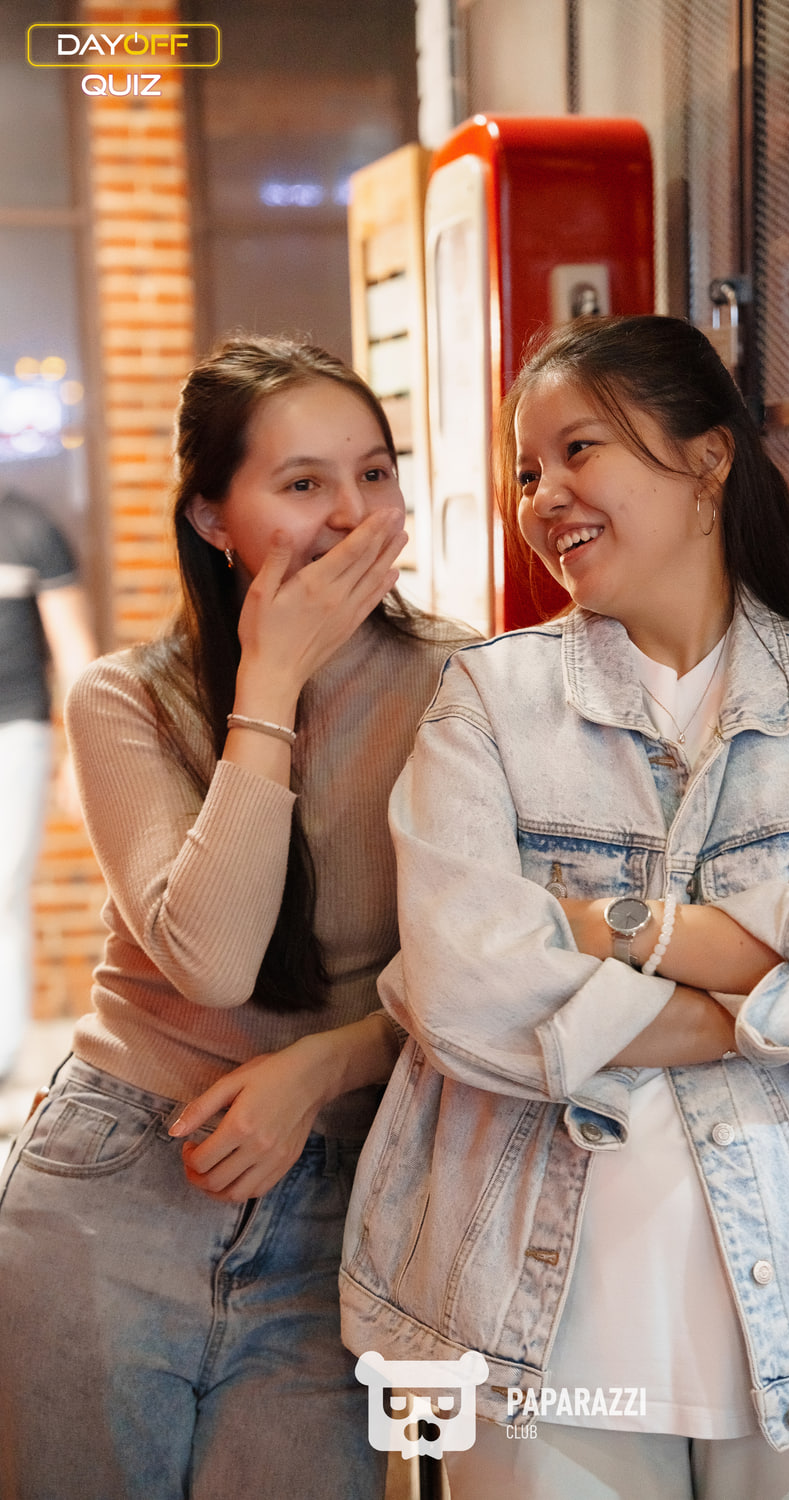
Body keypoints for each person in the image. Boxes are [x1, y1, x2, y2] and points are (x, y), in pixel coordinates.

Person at [339, 315, 789, 1500]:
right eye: (527, 471)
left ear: (706, 459)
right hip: (531, 1339)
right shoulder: (488, 702)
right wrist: (773, 999)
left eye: (578, 450)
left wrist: (618, 931)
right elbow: (467, 995)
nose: (543, 497)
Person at [0, 336, 462, 1500]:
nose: (351, 514)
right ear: (213, 518)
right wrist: (269, 685)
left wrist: (324, 1065)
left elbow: (501, 973)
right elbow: (209, 964)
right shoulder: (127, 698)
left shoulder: (470, 686)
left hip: (347, 1199)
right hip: (120, 1185)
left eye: (375, 473)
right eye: (303, 483)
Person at [0, 488, 95, 1083]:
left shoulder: (28, 525)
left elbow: (74, 647)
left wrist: (80, 756)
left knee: (3, 889)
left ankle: (2, 1059)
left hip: (16, 734)